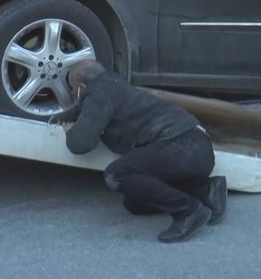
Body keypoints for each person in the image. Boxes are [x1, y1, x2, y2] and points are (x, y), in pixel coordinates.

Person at [61, 60, 226, 243]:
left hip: (182, 146)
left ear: (81, 87)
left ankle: (188, 211)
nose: (73, 95)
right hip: (196, 147)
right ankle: (206, 191)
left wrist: (71, 132)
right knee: (135, 204)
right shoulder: (115, 85)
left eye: (72, 89)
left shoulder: (98, 93)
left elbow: (80, 143)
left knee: (117, 175)